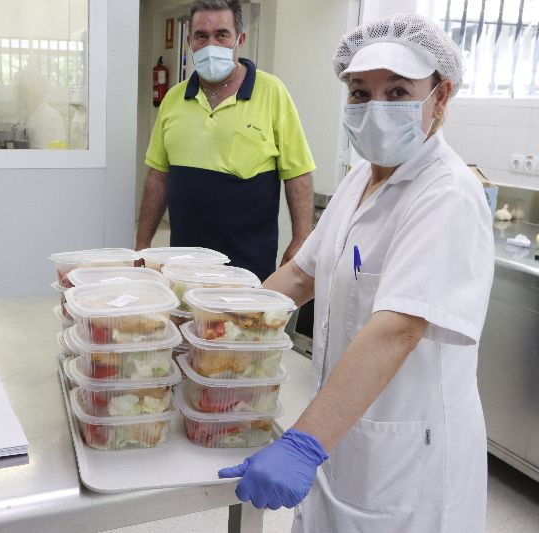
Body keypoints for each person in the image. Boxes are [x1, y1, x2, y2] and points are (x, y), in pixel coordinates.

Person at [218, 13, 494, 532]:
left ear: (441, 97)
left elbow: (399, 329)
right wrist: (220, 333)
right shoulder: (360, 179)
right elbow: (301, 277)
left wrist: (304, 441)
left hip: (409, 456)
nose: (376, 108)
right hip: (345, 426)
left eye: (398, 92)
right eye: (361, 93)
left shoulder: (447, 194)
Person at [136, 0, 315, 280]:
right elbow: (158, 177)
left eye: (221, 35)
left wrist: (301, 241)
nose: (211, 45)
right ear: (189, 42)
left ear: (239, 40)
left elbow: (298, 174)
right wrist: (142, 244)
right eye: (201, 36)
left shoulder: (272, 92)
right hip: (183, 267)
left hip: (248, 268)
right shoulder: (173, 99)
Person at [14, 67, 68, 149]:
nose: (18, 96)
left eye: (22, 91)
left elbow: (46, 154)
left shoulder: (50, 119)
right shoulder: (27, 114)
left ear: (34, 92)